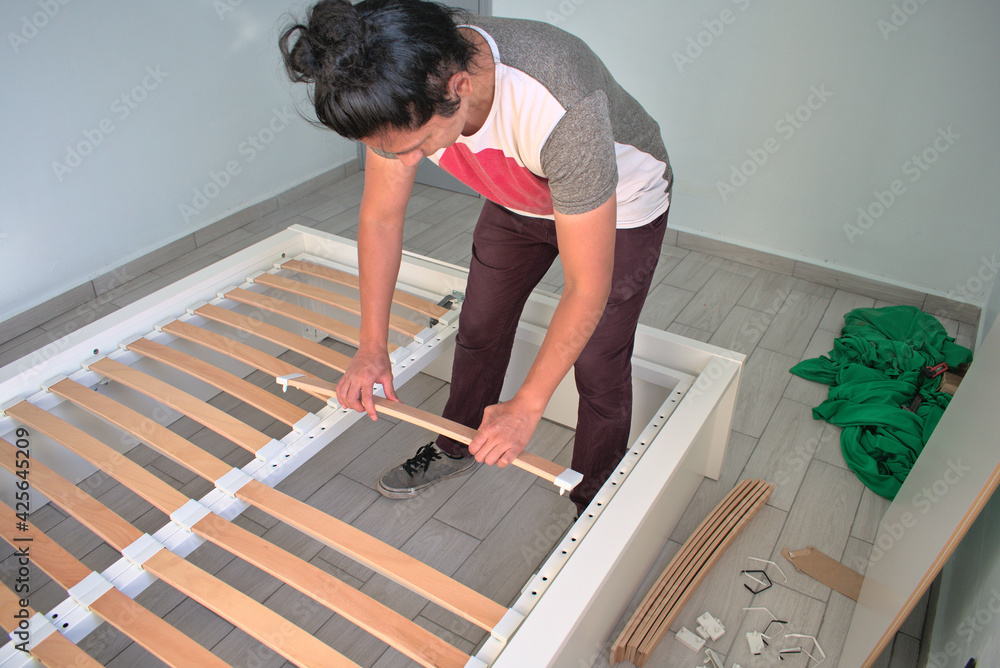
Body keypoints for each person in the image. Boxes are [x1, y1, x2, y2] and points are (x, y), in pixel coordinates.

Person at [280, 0, 672, 515]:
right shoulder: (394, 89)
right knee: (480, 324)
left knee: (599, 361)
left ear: (459, 87)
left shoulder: (558, 98)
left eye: (419, 145)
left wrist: (527, 406)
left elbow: (586, 287)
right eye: (390, 151)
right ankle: (455, 444)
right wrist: (372, 346)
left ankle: (593, 497)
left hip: (620, 204)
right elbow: (381, 220)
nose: (405, 162)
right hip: (516, 196)